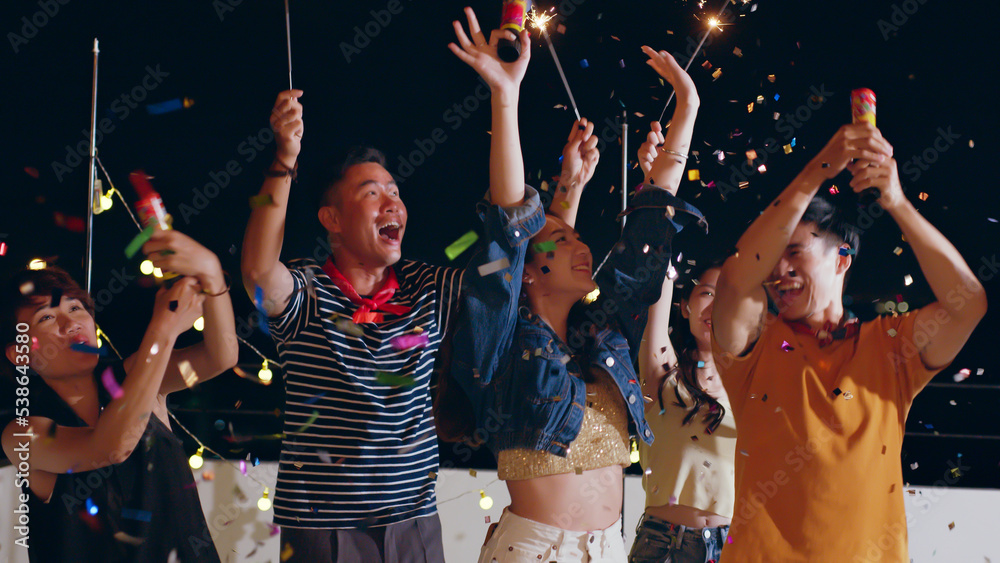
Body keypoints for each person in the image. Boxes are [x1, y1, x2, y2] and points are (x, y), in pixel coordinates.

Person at [239, 7, 539, 561]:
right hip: (324, 526)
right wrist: (285, 159)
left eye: (395, 190)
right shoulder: (308, 293)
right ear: (331, 219)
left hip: (413, 519)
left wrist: (505, 98)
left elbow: (506, 242)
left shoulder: (427, 288)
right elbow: (258, 271)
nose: (393, 200)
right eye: (372, 191)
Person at [448, 48, 706, 563]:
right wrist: (506, 97)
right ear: (526, 270)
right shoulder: (501, 345)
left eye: (576, 237)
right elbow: (508, 229)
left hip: (610, 549)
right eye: (561, 241)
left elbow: (646, 245)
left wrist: (688, 107)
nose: (582, 246)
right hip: (534, 551)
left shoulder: (601, 337)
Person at [711, 123, 987, 561]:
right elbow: (737, 275)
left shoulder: (892, 346)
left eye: (796, 251)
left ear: (843, 257)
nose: (779, 269)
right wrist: (816, 171)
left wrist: (895, 201)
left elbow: (968, 303)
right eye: (775, 255)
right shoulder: (755, 342)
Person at [1, 228, 238, 562]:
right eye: (48, 317)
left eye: (77, 308)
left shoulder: (138, 377)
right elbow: (111, 446)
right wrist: (164, 329)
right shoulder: (22, 433)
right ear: (20, 353)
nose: (72, 323)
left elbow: (220, 355)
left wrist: (212, 274)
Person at [631, 258, 735, 563]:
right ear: (685, 306)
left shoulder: (753, 389)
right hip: (663, 544)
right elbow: (656, 313)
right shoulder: (663, 376)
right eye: (707, 293)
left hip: (734, 545)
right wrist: (662, 234)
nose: (716, 306)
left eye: (728, 297)